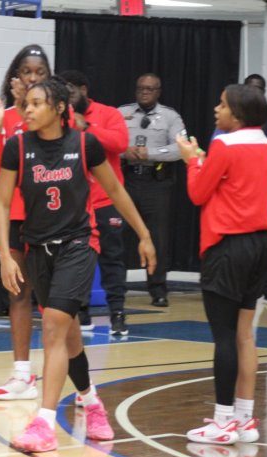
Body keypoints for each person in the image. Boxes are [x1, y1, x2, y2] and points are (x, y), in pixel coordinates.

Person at [0, 78, 155, 452]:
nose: (28, 110)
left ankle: (44, 423)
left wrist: (144, 234)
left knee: (54, 326)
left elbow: (115, 190)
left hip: (78, 245)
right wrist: (4, 255)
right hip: (37, 249)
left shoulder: (85, 144)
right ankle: (91, 401)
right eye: (26, 104)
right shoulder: (17, 147)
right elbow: (2, 204)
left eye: (36, 103)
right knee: (67, 337)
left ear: (59, 108)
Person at [177, 84, 267, 445]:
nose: (217, 109)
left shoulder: (225, 145)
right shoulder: (265, 144)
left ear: (238, 113)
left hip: (228, 248)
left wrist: (192, 161)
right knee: (245, 334)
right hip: (260, 246)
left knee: (224, 337)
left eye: (222, 104)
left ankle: (222, 422)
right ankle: (245, 420)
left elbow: (197, 192)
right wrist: (202, 163)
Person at [0, 44, 58, 401]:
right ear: (16, 75)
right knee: (18, 293)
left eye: (39, 72)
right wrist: (0, 127)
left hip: (50, 217)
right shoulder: (8, 115)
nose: (32, 77)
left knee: (54, 299)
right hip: (14, 216)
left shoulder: (56, 118)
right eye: (26, 71)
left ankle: (69, 374)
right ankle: (22, 374)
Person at [60, 70, 130, 335]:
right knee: (78, 260)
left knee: (113, 258)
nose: (67, 98)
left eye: (71, 92)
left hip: (106, 200)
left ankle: (118, 314)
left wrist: (88, 128)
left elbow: (120, 143)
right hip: (76, 203)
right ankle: (81, 311)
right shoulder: (60, 118)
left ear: (83, 90)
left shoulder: (109, 114)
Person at [118, 73, 185, 307]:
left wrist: (151, 154)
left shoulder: (170, 116)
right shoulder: (121, 113)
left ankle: (158, 290)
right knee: (116, 234)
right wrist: (124, 150)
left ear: (158, 92)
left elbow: (181, 149)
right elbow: (106, 142)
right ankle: (114, 288)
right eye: (140, 88)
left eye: (149, 89)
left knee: (157, 237)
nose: (144, 92)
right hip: (125, 180)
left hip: (156, 183)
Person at [242, 74, 267, 304]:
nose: (254, 93)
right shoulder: (235, 118)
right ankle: (242, 286)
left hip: (266, 187)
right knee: (240, 238)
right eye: (250, 89)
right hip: (239, 187)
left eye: (258, 89)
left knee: (264, 236)